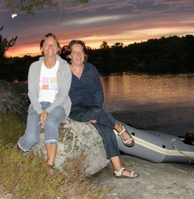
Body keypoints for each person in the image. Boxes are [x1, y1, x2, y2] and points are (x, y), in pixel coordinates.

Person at [65, 40, 139, 178]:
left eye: (81, 51)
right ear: (69, 55)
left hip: (93, 107)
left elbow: (98, 91)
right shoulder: (63, 71)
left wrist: (96, 110)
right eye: (75, 52)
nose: (78, 55)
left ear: (84, 54)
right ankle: (121, 130)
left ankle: (118, 169)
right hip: (74, 109)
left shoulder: (91, 69)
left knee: (106, 129)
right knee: (99, 115)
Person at [17, 33, 72, 172]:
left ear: (58, 48)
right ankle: (17, 150)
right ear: (42, 48)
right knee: (31, 138)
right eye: (47, 44)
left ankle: (50, 165)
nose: (50, 47)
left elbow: (63, 94)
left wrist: (48, 111)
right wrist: (40, 110)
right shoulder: (35, 67)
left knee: (51, 122)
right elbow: (32, 93)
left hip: (58, 105)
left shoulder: (65, 67)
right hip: (38, 105)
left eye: (53, 44)